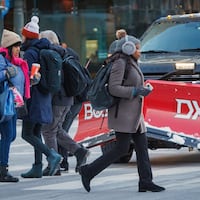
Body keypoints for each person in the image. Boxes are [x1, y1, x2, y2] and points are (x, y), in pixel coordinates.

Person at [78, 34, 165, 192]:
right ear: (129, 48)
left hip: (134, 114)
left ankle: (146, 181)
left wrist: (142, 89)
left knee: (142, 146)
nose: (140, 51)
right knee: (121, 149)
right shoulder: (120, 63)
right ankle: (88, 171)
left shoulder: (131, 62)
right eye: (137, 48)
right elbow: (114, 88)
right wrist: (136, 91)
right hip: (123, 113)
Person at [40, 30, 89, 175]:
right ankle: (79, 152)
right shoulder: (68, 52)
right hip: (70, 97)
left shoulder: (49, 54)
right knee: (57, 129)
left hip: (58, 98)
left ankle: (53, 164)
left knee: (48, 130)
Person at [20, 16, 61, 178]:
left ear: (27, 36)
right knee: (36, 133)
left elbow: (30, 76)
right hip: (44, 96)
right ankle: (37, 167)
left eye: (23, 35)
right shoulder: (43, 50)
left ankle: (51, 155)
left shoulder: (30, 53)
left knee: (27, 133)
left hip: (33, 97)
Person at [0, 29, 31, 182]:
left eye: (19, 46)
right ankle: (2, 169)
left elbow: (19, 82)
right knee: (7, 136)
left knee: (10, 136)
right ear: (8, 47)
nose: (19, 49)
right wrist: (5, 74)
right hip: (4, 103)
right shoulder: (1, 60)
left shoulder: (16, 63)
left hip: (12, 104)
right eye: (16, 46)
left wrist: (32, 80)